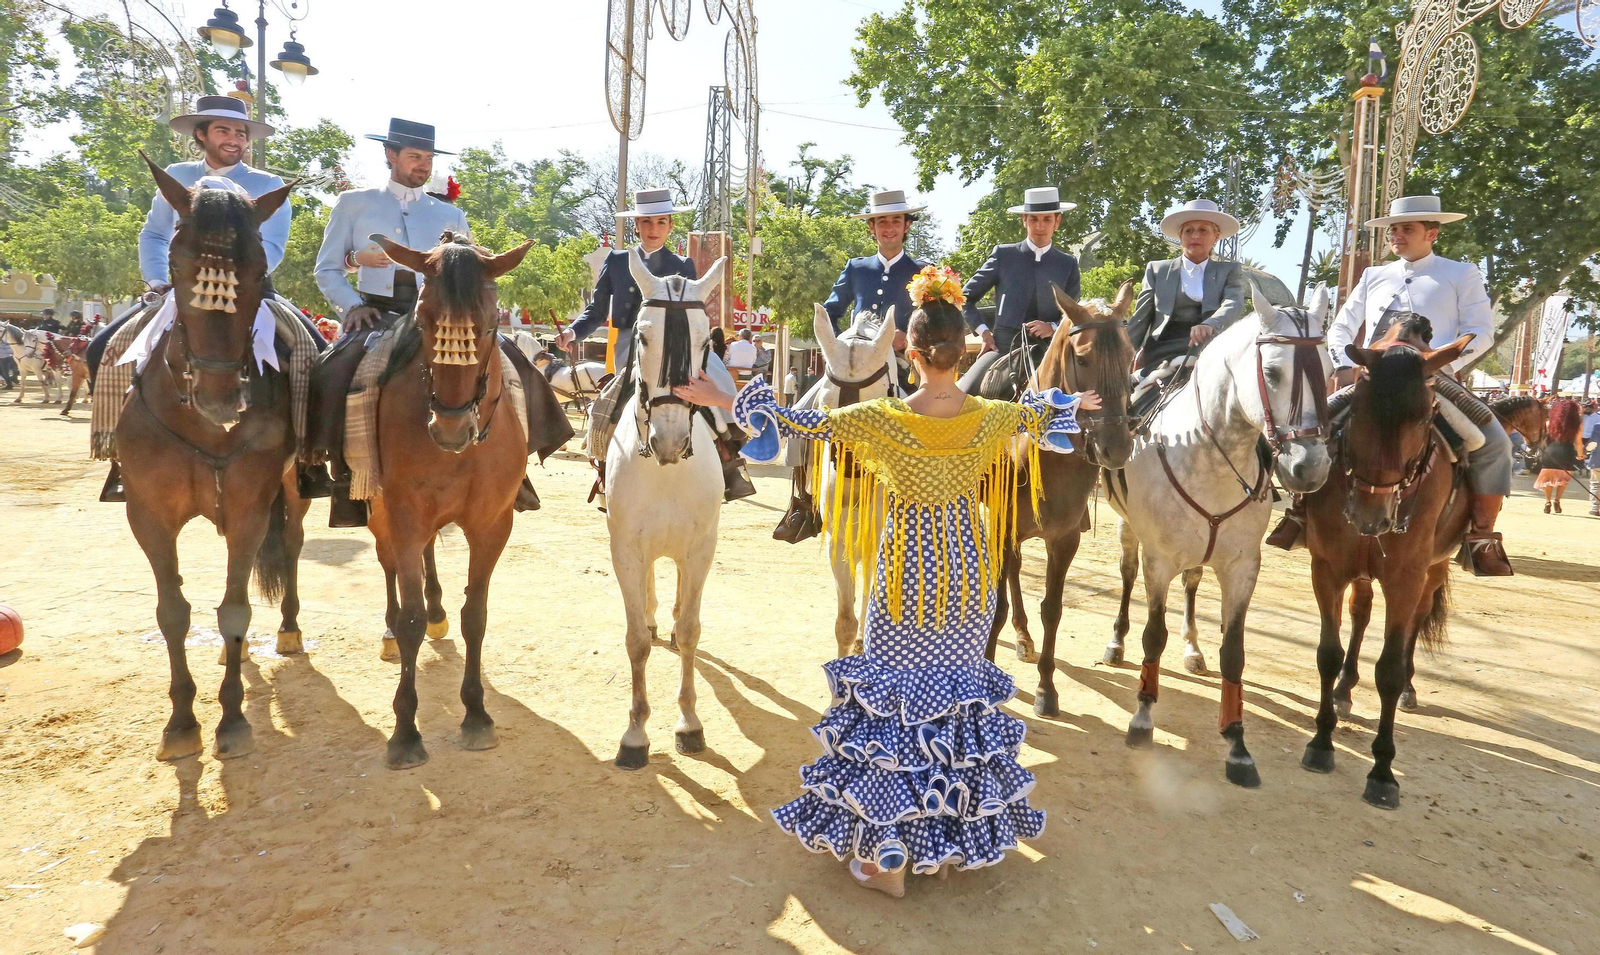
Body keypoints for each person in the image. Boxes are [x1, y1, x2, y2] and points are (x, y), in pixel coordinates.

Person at [677, 265, 1099, 896]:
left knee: (894, 708)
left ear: (912, 354)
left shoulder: (883, 418)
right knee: (954, 702)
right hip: (967, 579)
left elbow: (800, 424)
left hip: (904, 577)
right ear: (964, 354)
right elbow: (1040, 413)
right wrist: (1073, 404)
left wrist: (723, 398)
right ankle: (949, 841)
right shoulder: (990, 416)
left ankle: (889, 860)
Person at [1269, 195, 1515, 576]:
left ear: (1431, 233)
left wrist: (1438, 362)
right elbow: (1341, 326)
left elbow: (1480, 332)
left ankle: (1481, 537)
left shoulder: (1460, 273)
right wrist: (1345, 364)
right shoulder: (1374, 275)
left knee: (1496, 443)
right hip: (1372, 379)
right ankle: (1300, 511)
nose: (1396, 235)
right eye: (1393, 229)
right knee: (1312, 429)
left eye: (1406, 229)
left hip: (1431, 379)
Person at [87, 94, 302, 503]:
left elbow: (273, 245)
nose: (235, 139)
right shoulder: (177, 175)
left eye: (241, 132)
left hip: (249, 291)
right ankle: (120, 455)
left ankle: (309, 460)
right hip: (178, 290)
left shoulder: (269, 184)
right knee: (103, 348)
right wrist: (157, 281)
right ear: (201, 134)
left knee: (312, 352)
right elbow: (154, 233)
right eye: (224, 131)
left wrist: (241, 280)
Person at [552, 187, 754, 505]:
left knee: (716, 376)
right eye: (646, 222)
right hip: (630, 348)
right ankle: (603, 468)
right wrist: (572, 333)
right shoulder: (616, 261)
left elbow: (692, 312)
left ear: (670, 226)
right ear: (636, 225)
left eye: (661, 222)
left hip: (677, 348)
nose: (653, 229)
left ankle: (729, 455)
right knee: (606, 403)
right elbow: (597, 310)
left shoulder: (683, 264)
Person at [772, 189, 930, 543]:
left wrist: (910, 339)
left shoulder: (923, 271)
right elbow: (831, 309)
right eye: (882, 222)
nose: (889, 227)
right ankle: (804, 504)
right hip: (850, 362)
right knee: (801, 414)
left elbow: (934, 320)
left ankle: (927, 505)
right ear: (872, 228)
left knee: (929, 421)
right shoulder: (856, 268)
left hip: (901, 361)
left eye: (896, 221)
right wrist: (834, 342)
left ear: (906, 226)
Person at [1125, 199, 1247, 416]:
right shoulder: (1157, 270)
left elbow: (1234, 303)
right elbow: (1140, 318)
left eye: (1203, 230)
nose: (1195, 236)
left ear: (1216, 236)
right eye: (1189, 230)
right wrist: (1122, 354)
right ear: (1180, 236)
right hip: (1163, 349)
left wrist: (1210, 324)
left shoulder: (1229, 270)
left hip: (1212, 346)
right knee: (1134, 404)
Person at [959, 186, 1081, 391]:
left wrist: (1051, 327)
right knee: (965, 391)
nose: (1040, 226)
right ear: (1024, 220)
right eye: (1034, 219)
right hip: (1003, 349)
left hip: (1051, 351)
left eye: (1047, 219)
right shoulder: (1003, 255)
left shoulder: (1067, 263)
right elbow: (965, 297)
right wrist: (984, 332)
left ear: (1057, 221)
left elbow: (1074, 314)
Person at [1535, 398, 1583, 513]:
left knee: (1547, 479)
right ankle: (1557, 500)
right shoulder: (1576, 425)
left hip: (1550, 452)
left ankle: (1547, 501)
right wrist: (1580, 455)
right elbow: (1578, 442)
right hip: (1567, 452)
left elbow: (1542, 440)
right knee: (1563, 479)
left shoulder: (1549, 424)